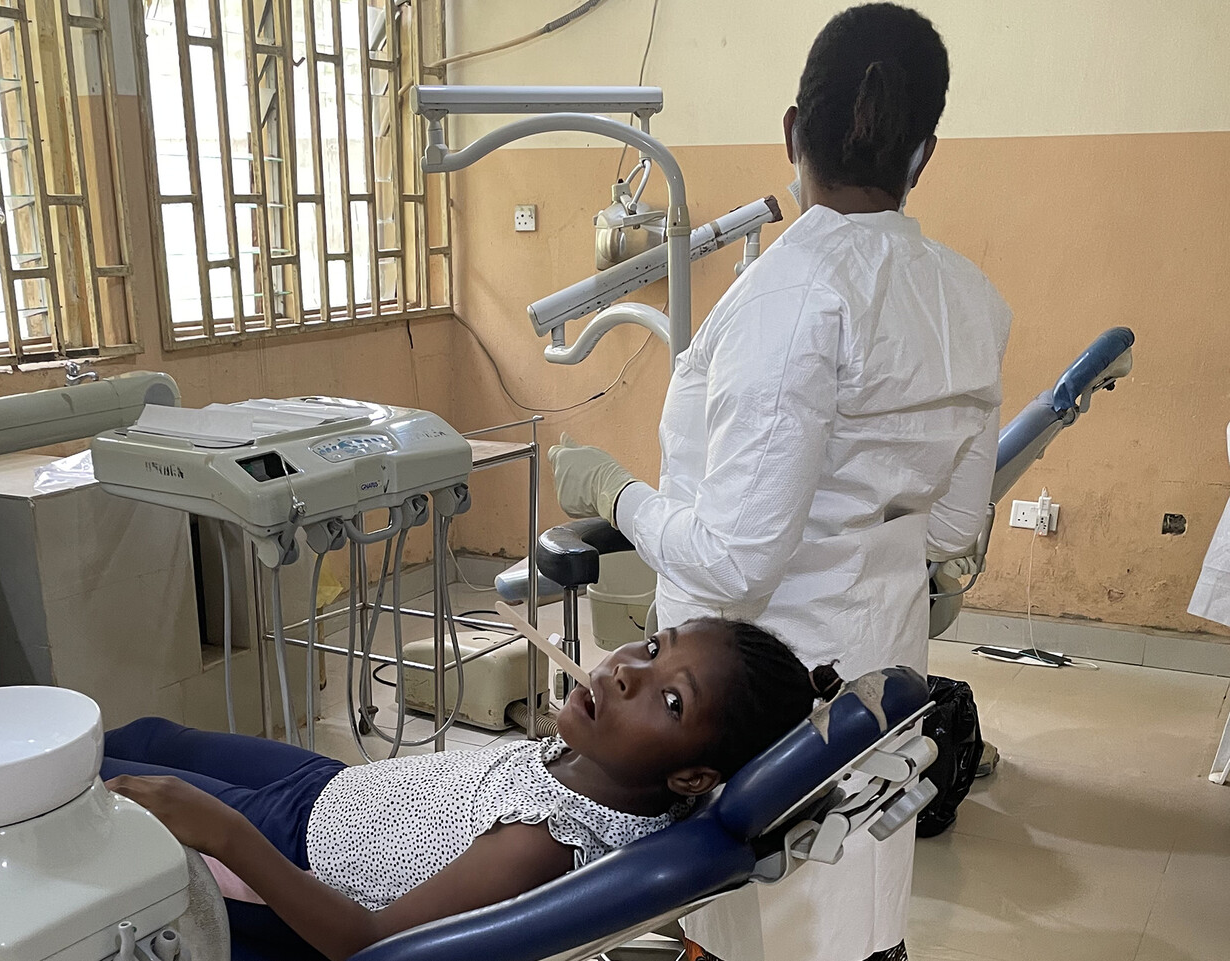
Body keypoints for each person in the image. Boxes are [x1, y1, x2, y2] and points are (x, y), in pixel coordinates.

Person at [548, 6, 1011, 961]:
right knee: (857, 896)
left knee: (762, 909)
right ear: (924, 152)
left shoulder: (789, 298)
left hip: (760, 685)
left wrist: (614, 492)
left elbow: (736, 560)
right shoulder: (969, 298)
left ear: (792, 129)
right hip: (883, 661)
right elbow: (955, 523)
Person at [104, 619, 836, 961]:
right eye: (651, 646)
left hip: (292, 840)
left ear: (692, 777)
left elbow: (368, 944)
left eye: (670, 700)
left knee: (101, 788)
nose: (624, 671)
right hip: (335, 790)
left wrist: (222, 830)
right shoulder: (608, 772)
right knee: (147, 734)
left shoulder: (541, 843)